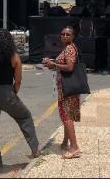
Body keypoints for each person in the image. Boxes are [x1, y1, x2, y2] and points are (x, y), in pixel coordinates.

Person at [0, 30, 40, 176]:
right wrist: (12, 94)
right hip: (7, 93)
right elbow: (18, 81)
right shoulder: (14, 57)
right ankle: (35, 150)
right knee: (24, 116)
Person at [42, 26, 81, 160]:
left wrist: (54, 65)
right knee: (67, 115)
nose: (64, 36)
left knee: (66, 116)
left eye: (67, 34)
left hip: (67, 89)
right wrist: (52, 63)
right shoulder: (68, 48)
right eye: (62, 34)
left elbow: (69, 67)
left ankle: (74, 147)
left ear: (72, 36)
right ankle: (65, 142)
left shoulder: (69, 48)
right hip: (65, 88)